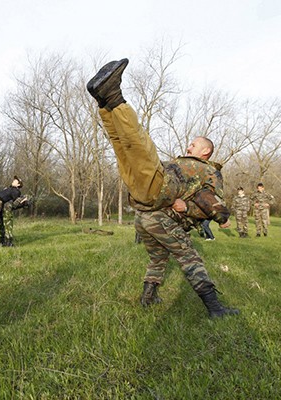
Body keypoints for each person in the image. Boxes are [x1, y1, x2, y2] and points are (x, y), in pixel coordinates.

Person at [87, 58, 239, 318]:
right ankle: (105, 103)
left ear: (206, 151)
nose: (189, 147)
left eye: (194, 145)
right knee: (123, 146)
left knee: (137, 145)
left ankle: (111, 98)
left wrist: (187, 206)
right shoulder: (186, 163)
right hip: (149, 207)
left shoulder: (210, 170)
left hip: (155, 195)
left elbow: (214, 204)